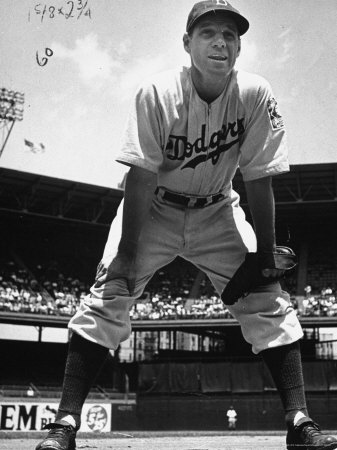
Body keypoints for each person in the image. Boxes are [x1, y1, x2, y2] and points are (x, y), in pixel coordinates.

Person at [35, 1, 337, 449]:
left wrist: (263, 256)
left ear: (239, 47)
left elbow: (259, 178)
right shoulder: (156, 92)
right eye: (209, 32)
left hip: (218, 209)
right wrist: (127, 253)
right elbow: (139, 178)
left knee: (267, 301)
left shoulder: (254, 94)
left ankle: (298, 422)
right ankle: (64, 424)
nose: (221, 41)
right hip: (153, 208)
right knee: (109, 296)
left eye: (230, 35)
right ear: (187, 43)